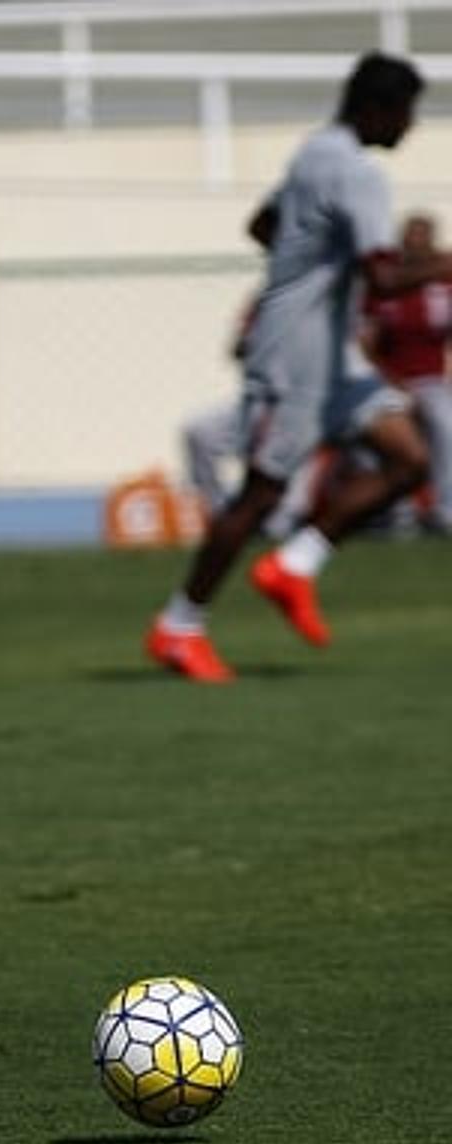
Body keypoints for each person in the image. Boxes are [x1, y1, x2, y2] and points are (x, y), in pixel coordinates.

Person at [146, 52, 449, 682]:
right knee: (260, 495)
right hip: (295, 358)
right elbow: (387, 279)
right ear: (376, 110)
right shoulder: (359, 173)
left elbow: (262, 225)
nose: (410, 127)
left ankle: (294, 566)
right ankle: (178, 626)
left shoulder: (312, 152)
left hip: (331, 353)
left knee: (409, 458)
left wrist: (308, 267)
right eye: (406, 113)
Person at [362, 211, 452, 530]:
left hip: (431, 379)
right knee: (382, 433)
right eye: (408, 239)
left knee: (445, 422)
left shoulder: (443, 284)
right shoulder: (383, 285)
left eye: (421, 239)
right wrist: (389, 381)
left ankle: (446, 511)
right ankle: (396, 513)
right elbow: (366, 344)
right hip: (387, 381)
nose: (413, 246)